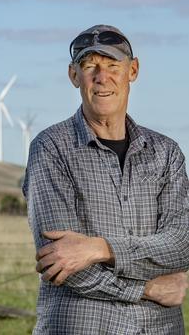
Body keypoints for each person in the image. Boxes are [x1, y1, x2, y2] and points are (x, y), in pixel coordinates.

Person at [22, 24, 189, 334]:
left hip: (160, 328)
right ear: (74, 75)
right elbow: (59, 263)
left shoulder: (166, 153)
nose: (102, 77)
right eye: (90, 67)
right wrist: (147, 289)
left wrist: (100, 248)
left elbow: (182, 244)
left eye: (113, 65)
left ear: (133, 70)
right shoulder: (51, 148)